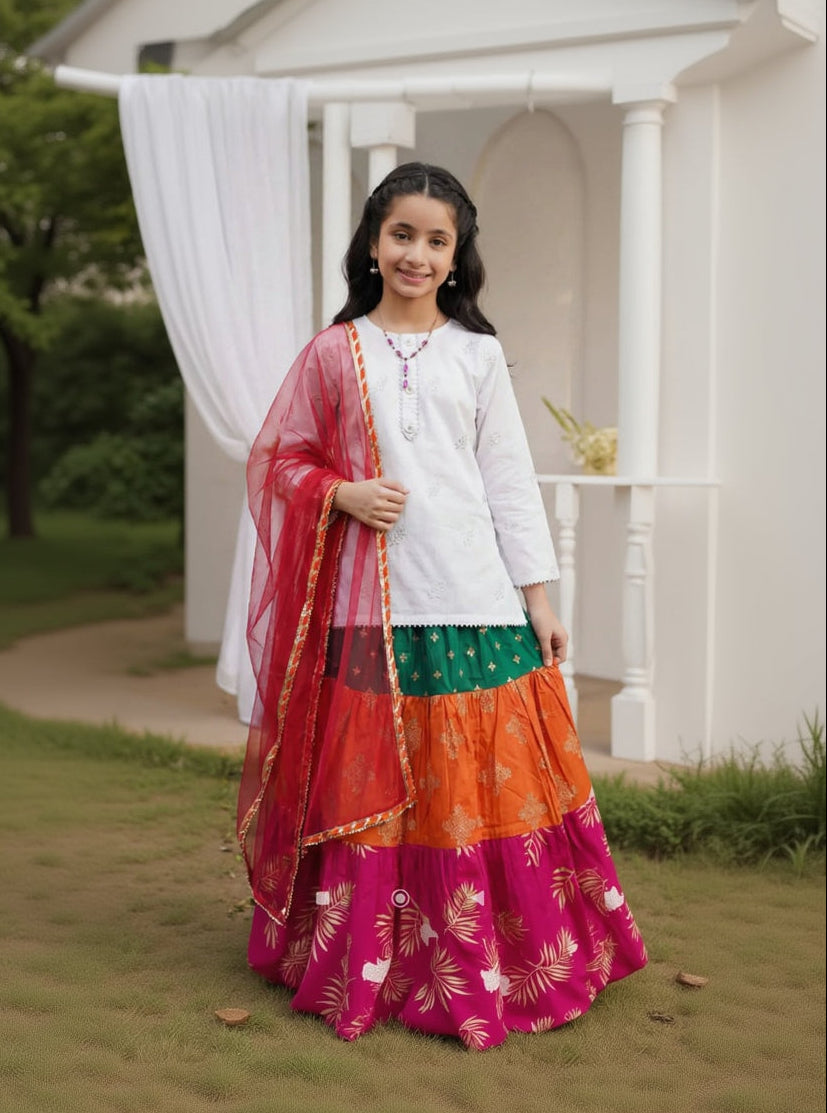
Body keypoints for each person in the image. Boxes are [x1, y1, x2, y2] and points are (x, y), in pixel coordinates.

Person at [237, 162, 647, 1050]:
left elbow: (506, 477)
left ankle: (489, 961)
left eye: (436, 240)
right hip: (369, 605)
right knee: (376, 788)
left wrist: (535, 597)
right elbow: (277, 460)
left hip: (473, 597)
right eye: (401, 235)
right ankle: (371, 965)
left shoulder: (477, 353)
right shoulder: (332, 351)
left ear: (457, 257)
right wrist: (340, 494)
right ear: (373, 243)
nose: (416, 254)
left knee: (474, 789)